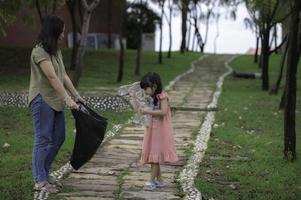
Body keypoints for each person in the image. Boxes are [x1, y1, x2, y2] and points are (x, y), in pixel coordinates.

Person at [28, 15, 84, 193]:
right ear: (54, 31)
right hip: (42, 98)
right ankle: (40, 180)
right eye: (62, 31)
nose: (63, 34)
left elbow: (63, 75)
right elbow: (52, 77)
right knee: (43, 139)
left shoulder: (55, 50)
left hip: (56, 100)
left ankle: (43, 172)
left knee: (59, 137)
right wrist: (67, 99)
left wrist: (76, 95)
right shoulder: (39, 52)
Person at [129, 72, 178, 190]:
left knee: (155, 156)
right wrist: (132, 98)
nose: (145, 91)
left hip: (160, 131)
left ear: (154, 86)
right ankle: (160, 180)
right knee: (153, 155)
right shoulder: (149, 98)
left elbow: (163, 112)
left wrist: (147, 111)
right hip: (151, 130)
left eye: (146, 88)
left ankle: (151, 180)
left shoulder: (162, 96)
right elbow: (137, 110)